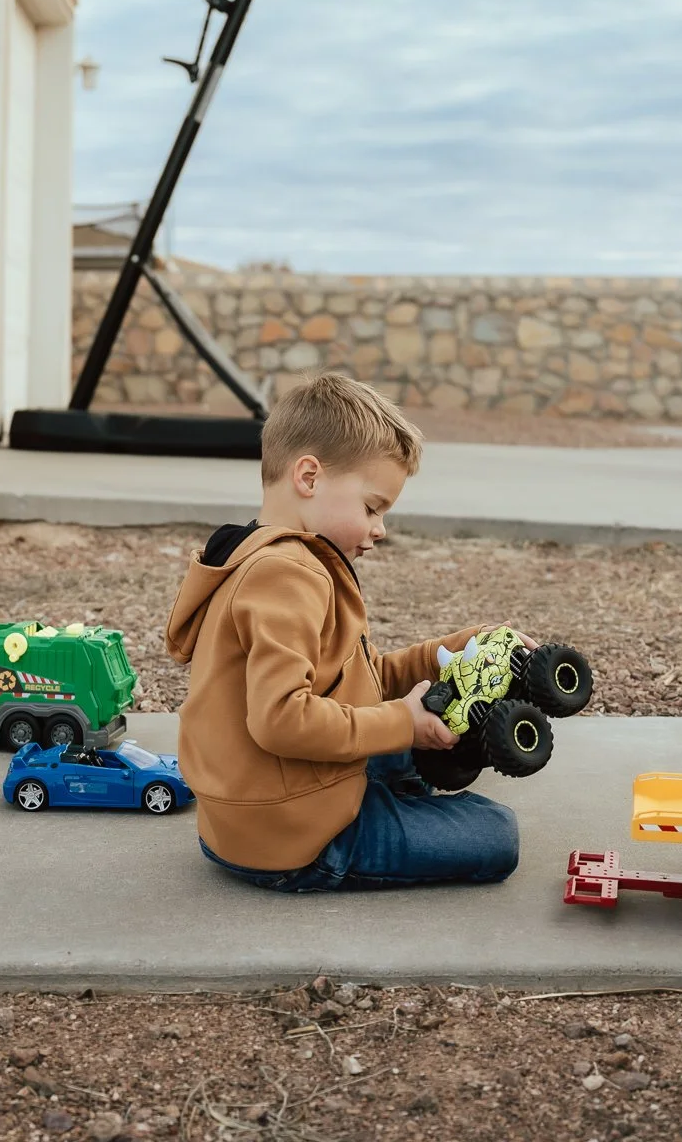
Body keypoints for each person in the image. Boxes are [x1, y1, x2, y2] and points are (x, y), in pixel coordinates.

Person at [165, 372, 520, 891]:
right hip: (292, 837)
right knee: (496, 831)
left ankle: (392, 787)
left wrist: (452, 649)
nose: (380, 529)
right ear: (309, 477)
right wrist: (402, 723)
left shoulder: (259, 554)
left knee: (425, 746)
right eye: (372, 507)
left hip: (250, 814)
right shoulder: (287, 574)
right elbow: (281, 721)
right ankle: (373, 814)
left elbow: (361, 680)